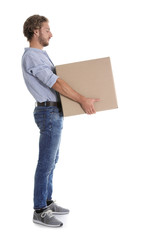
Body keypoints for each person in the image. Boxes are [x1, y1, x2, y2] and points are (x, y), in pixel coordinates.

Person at [22, 14, 100, 228]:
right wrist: (82, 99)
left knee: (52, 161)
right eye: (47, 29)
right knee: (45, 163)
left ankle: (46, 201)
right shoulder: (32, 56)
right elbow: (55, 83)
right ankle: (39, 210)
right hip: (48, 113)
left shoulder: (41, 55)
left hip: (54, 112)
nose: (51, 33)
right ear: (36, 31)